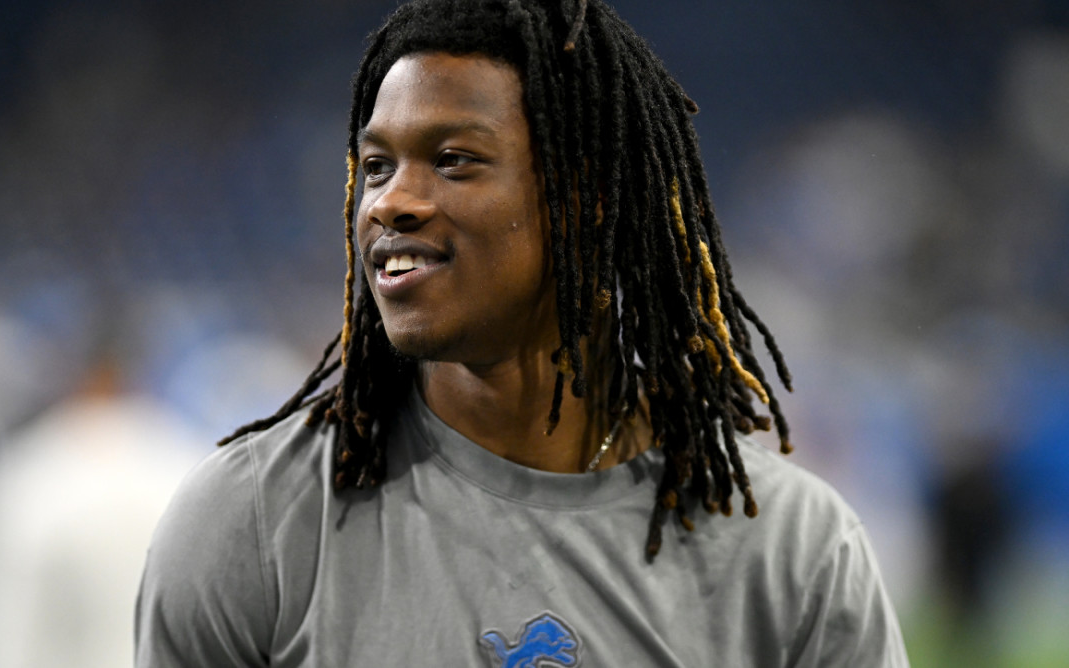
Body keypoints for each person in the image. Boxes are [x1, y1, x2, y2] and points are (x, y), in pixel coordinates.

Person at [135, 0, 909, 665]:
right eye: (375, 167)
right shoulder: (252, 526)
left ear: (589, 201)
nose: (390, 203)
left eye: (452, 160)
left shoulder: (791, 550)